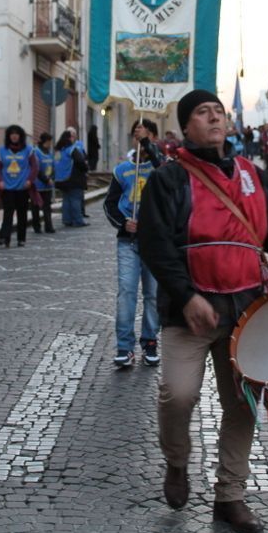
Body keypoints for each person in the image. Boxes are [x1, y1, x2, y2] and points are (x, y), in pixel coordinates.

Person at [137, 89, 268, 533]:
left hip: (248, 309)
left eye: (219, 111)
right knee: (178, 394)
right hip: (188, 312)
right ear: (187, 127)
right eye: (202, 113)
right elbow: (155, 245)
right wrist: (187, 295)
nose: (213, 117)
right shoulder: (168, 179)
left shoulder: (255, 174)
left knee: (242, 405)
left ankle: (230, 496)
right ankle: (176, 463)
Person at [104, 119, 164, 368]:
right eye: (137, 136)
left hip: (155, 243)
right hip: (128, 243)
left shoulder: (161, 167)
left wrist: (148, 144)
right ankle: (124, 347)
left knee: (152, 295)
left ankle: (150, 340)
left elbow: (162, 165)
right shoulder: (122, 171)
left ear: (153, 138)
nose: (139, 140)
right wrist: (122, 223)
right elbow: (110, 204)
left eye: (146, 136)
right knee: (127, 293)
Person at [0, 124, 38, 248]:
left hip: (22, 187)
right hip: (7, 187)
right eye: (12, 134)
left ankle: (21, 238)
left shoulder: (28, 150)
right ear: (8, 136)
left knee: (22, 213)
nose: (14, 136)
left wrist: (30, 180)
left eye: (16, 134)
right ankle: (4, 237)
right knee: (8, 213)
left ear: (20, 136)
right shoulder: (2, 150)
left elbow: (34, 166)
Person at [53, 128, 89, 227]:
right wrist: (86, 169)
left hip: (61, 179)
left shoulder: (58, 150)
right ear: (69, 138)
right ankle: (78, 220)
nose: (74, 138)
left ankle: (67, 220)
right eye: (72, 137)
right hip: (73, 178)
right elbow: (81, 161)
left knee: (66, 200)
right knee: (75, 200)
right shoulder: (72, 149)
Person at [31, 132, 56, 234]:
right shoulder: (36, 152)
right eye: (49, 141)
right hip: (38, 185)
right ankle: (36, 226)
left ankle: (48, 226)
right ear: (45, 141)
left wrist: (52, 177)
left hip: (48, 185)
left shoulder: (49, 153)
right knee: (36, 207)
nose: (50, 143)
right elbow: (36, 169)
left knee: (47, 207)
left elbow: (53, 166)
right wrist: (45, 179)